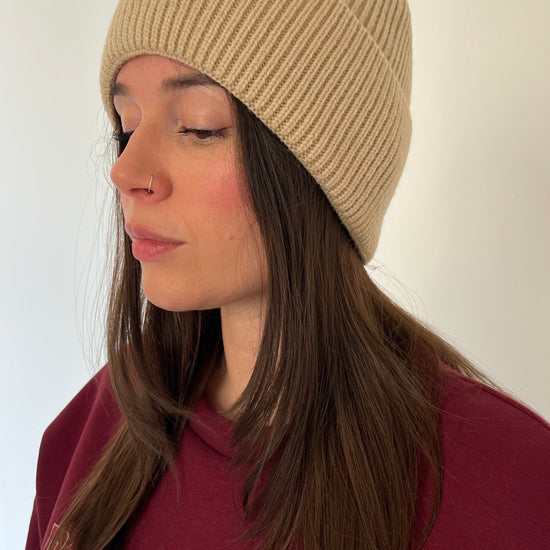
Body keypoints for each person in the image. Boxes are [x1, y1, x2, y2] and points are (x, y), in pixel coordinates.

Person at [26, 1, 550, 549]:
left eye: (199, 128)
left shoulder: (511, 489)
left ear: (320, 169)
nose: (126, 170)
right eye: (127, 126)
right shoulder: (93, 428)